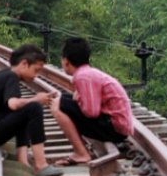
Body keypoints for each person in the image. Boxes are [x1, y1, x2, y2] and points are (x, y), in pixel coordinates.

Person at [0, 44, 63, 176]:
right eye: (35, 70)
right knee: (34, 107)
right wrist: (36, 99)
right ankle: (41, 165)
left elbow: (16, 111)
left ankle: (23, 161)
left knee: (25, 110)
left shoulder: (5, 75)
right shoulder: (11, 77)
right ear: (24, 64)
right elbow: (13, 104)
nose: (36, 76)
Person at [50, 37, 134, 166]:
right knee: (64, 98)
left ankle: (81, 153)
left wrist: (76, 100)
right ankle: (82, 151)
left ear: (66, 61)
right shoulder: (88, 72)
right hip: (117, 126)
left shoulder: (82, 76)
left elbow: (91, 112)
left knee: (59, 105)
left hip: (114, 129)